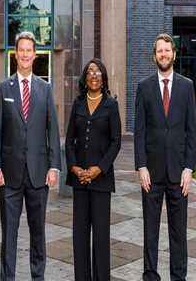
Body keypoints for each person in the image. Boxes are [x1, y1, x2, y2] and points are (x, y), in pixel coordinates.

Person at [0, 31, 61, 281]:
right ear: (16, 54)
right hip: (9, 175)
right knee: (9, 233)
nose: (25, 54)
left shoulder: (45, 88)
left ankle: (37, 277)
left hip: (39, 174)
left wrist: (54, 167)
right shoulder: (3, 88)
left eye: (29, 50)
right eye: (21, 50)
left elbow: (53, 129)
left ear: (35, 54)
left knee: (38, 232)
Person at [134, 33, 196, 281]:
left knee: (178, 233)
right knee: (150, 231)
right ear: (154, 56)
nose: (163, 54)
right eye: (159, 51)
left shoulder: (187, 86)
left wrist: (189, 168)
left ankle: (178, 277)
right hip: (152, 173)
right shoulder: (144, 87)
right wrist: (141, 166)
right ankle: (150, 276)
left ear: (174, 54)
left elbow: (191, 131)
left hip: (179, 173)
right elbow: (139, 132)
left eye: (167, 50)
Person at [65, 58, 121, 280]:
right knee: (80, 235)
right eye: (90, 72)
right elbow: (69, 141)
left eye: (98, 72)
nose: (94, 75)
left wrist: (100, 168)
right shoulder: (77, 104)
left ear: (103, 78)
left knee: (100, 236)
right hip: (79, 180)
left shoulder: (111, 105)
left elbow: (116, 141)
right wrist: (74, 167)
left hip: (101, 180)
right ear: (85, 78)